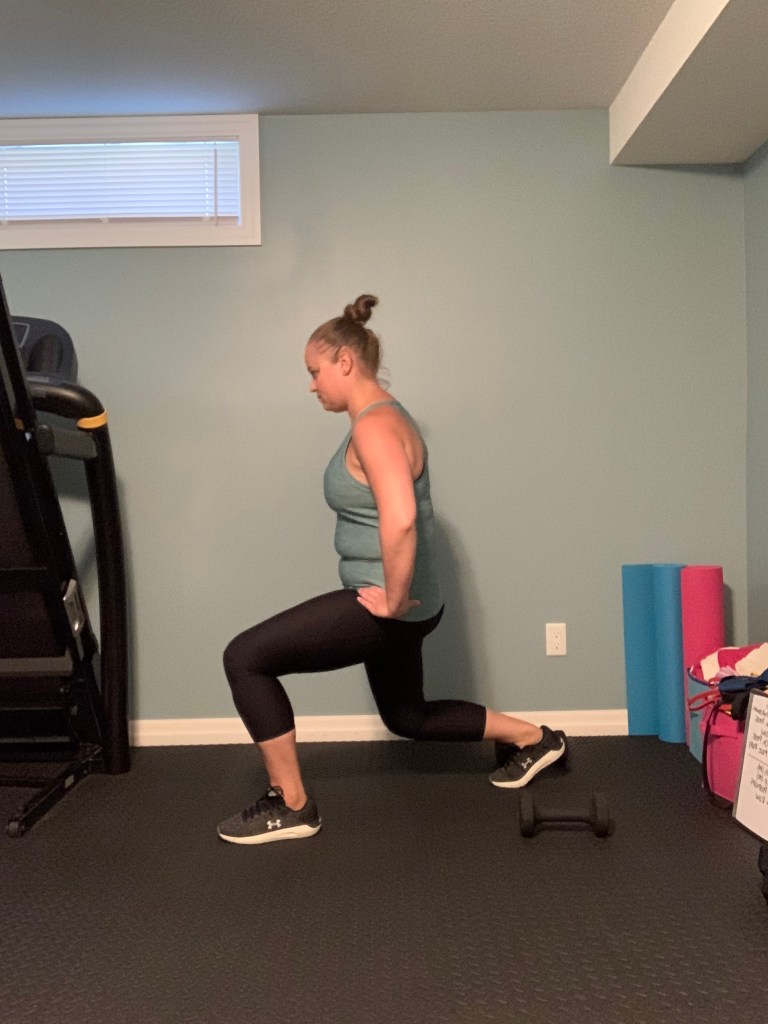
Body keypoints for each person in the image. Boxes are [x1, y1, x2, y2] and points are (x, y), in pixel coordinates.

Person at [218, 294, 566, 844]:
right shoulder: (384, 416)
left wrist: (395, 601)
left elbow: (401, 520)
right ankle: (535, 738)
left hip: (391, 600)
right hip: (411, 598)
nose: (312, 385)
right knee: (408, 717)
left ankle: (293, 804)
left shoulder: (375, 427)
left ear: (345, 362)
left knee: (245, 658)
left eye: (314, 371)